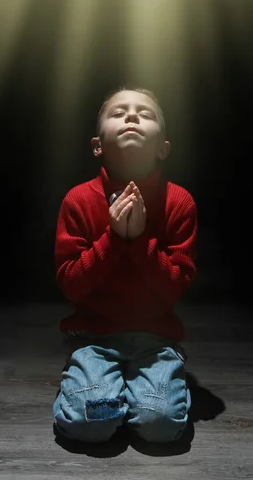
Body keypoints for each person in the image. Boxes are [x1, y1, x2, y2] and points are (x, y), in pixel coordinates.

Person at [53, 86, 197, 444]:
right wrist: (114, 239)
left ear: (163, 148)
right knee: (91, 425)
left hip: (156, 338)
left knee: (159, 426)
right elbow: (71, 284)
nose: (131, 116)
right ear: (97, 144)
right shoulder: (78, 200)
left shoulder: (179, 202)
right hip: (94, 337)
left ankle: (149, 377)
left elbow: (175, 286)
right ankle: (93, 375)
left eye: (144, 113)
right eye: (118, 113)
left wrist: (141, 240)